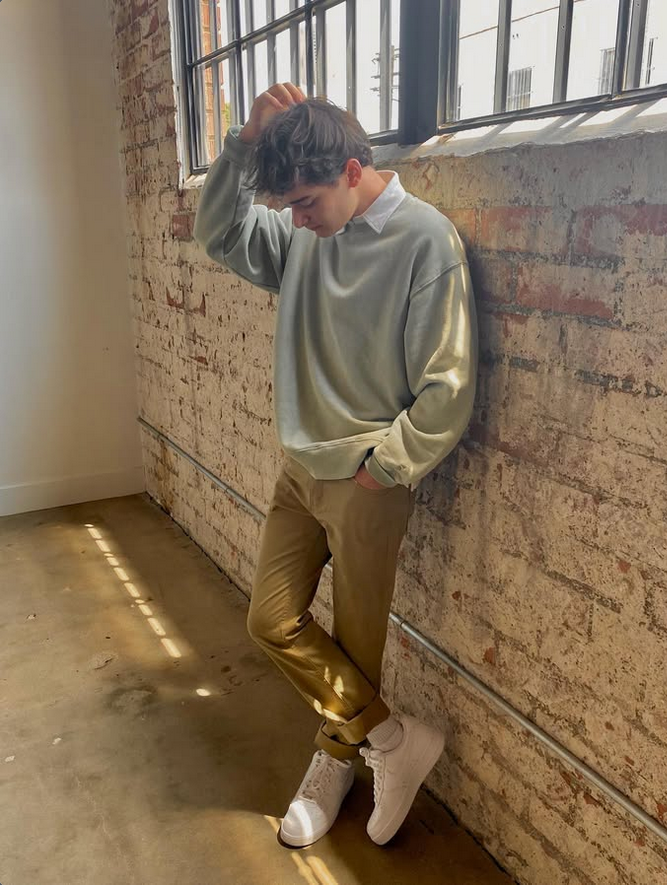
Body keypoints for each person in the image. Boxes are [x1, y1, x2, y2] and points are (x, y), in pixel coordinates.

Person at [194, 82, 478, 848]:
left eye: (305, 202)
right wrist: (242, 144)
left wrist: (385, 466)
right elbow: (218, 232)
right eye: (286, 205)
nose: (295, 219)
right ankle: (389, 738)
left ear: (353, 170)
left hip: (367, 481)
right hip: (298, 468)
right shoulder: (305, 234)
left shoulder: (427, 242)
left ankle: (335, 761)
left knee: (357, 643)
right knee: (269, 619)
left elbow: (448, 385)